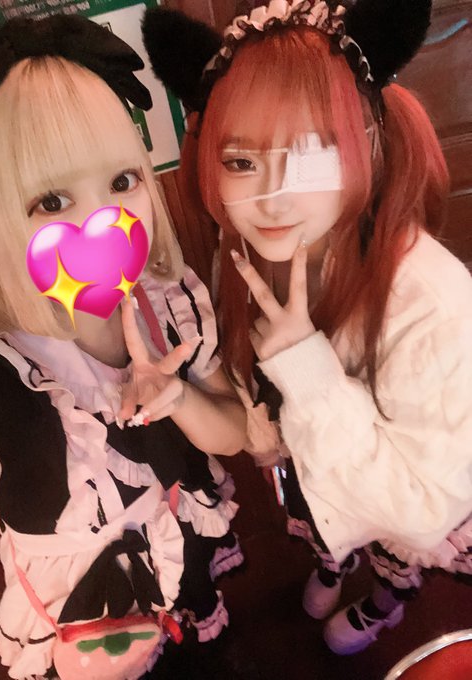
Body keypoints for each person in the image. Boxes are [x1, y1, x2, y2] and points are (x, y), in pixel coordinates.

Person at [142, 0, 472, 655]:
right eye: (241, 162)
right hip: (312, 482)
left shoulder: (432, 300)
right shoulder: (245, 253)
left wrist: (308, 370)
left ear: (365, 145)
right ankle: (333, 563)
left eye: (311, 153)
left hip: (407, 510)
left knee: (394, 555)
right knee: (322, 529)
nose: (273, 197)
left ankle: (384, 606)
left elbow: (419, 509)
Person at [0, 15, 247, 679]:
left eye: (122, 182)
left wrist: (178, 398)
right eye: (51, 199)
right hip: (83, 616)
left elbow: (234, 435)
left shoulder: (169, 300)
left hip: (180, 545)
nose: (104, 221)